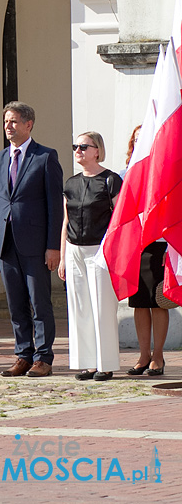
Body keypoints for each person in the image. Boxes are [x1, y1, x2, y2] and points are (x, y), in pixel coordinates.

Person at [0, 102, 63, 378]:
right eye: (6, 121)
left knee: (39, 303)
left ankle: (43, 357)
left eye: (14, 121)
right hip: (5, 243)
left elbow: (55, 205)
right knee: (16, 303)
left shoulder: (45, 157)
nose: (9, 126)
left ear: (29, 124)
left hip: (35, 243)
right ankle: (23, 354)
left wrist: (53, 246)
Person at [58, 131, 122, 381]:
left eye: (84, 146)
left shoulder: (110, 180)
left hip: (101, 249)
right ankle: (87, 363)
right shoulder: (71, 183)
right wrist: (63, 257)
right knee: (80, 307)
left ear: (97, 150)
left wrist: (114, 252)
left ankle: (105, 364)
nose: (78, 151)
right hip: (75, 248)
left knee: (102, 307)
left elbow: (119, 220)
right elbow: (65, 221)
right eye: (76, 146)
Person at [122, 125, 170, 377]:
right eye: (136, 139)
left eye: (145, 139)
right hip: (134, 246)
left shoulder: (166, 171)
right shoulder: (125, 173)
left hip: (159, 245)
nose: (140, 143)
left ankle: (158, 356)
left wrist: (172, 246)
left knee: (157, 301)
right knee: (139, 303)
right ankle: (143, 355)